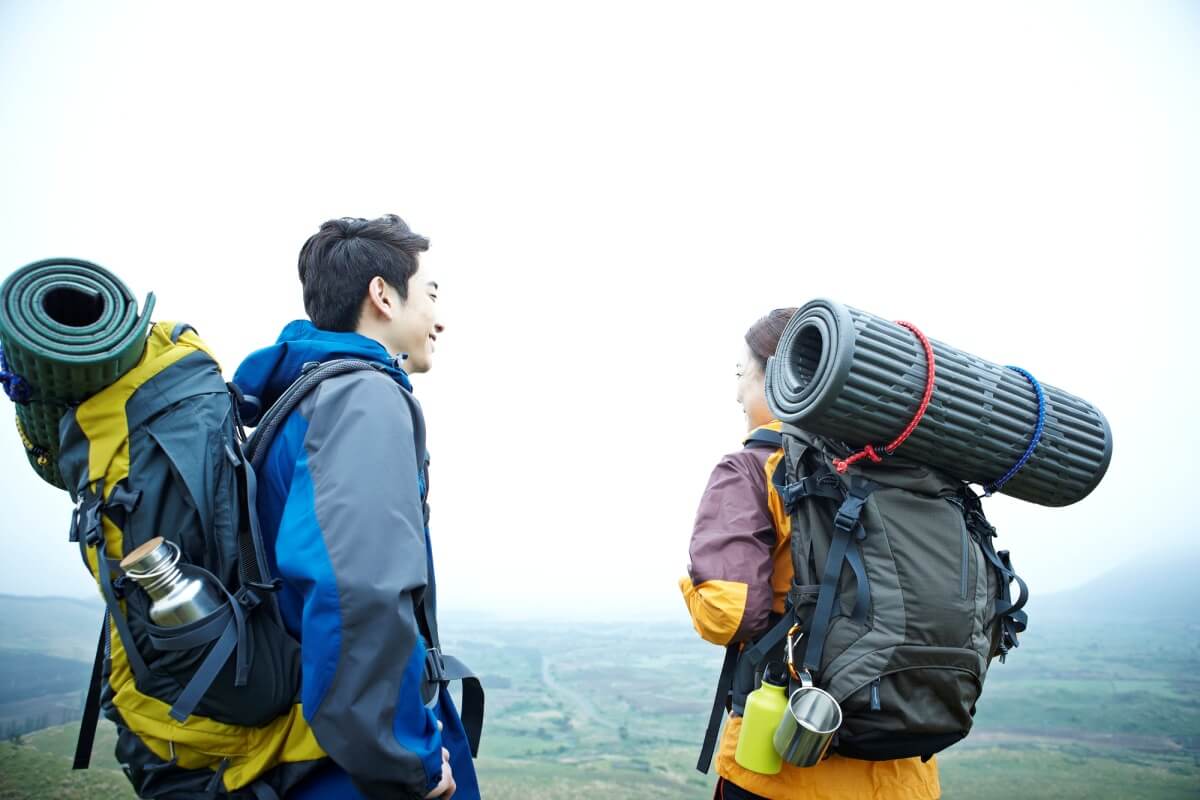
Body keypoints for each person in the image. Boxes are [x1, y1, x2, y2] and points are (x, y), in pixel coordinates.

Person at [233, 214, 479, 799]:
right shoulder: (362, 397)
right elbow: (358, 591)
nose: (440, 318)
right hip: (348, 768)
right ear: (383, 296)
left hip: (311, 739)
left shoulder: (304, 397)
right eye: (431, 295)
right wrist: (406, 761)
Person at [679, 309, 941, 800]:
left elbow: (728, 614)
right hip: (905, 775)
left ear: (778, 376)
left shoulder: (754, 468)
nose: (736, 394)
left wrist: (689, 583)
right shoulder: (905, 472)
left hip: (783, 769)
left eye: (741, 374)